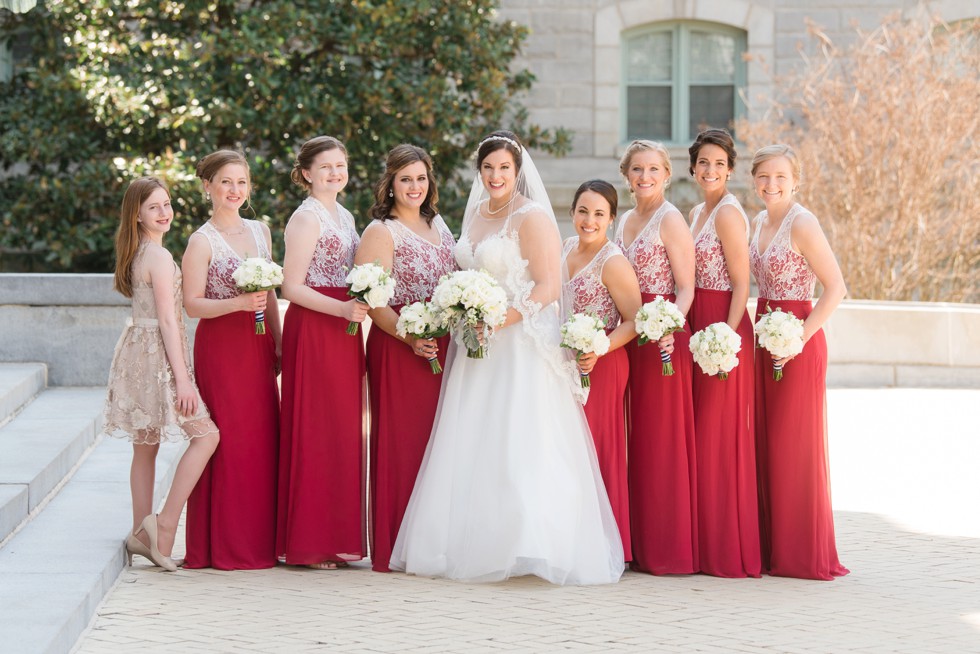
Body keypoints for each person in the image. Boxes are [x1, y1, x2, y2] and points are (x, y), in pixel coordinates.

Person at [390, 130, 625, 585]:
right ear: (479, 172)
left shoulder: (532, 216)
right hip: (475, 343)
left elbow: (548, 287)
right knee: (475, 438)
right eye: (488, 168)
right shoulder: (475, 212)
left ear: (518, 173)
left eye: (504, 168)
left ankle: (534, 543)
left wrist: (499, 319)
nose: (496, 176)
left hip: (519, 342)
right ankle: (475, 541)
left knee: (524, 438)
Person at [104, 177, 220, 572]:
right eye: (154, 207)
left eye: (167, 204)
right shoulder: (157, 256)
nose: (164, 212)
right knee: (207, 436)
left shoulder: (138, 253)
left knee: (145, 447)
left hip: (137, 352)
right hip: (156, 358)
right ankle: (164, 524)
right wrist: (183, 378)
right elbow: (170, 323)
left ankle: (141, 532)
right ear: (137, 215)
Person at [354, 144, 456, 573]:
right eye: (405, 179)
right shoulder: (381, 230)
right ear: (390, 184)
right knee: (403, 442)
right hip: (399, 346)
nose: (415, 187)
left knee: (442, 443)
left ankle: (436, 541)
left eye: (420, 178)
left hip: (444, 347)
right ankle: (396, 543)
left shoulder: (439, 223)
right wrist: (409, 336)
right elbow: (371, 298)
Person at [749, 144, 849, 580]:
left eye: (780, 177)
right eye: (764, 177)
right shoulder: (756, 221)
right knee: (767, 443)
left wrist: (799, 339)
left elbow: (836, 288)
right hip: (762, 336)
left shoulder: (803, 223)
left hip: (797, 341)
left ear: (796, 180)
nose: (771, 185)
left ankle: (801, 554)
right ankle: (772, 548)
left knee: (795, 445)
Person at [181, 149, 281, 570]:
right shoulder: (200, 241)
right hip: (221, 349)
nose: (234, 190)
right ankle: (223, 545)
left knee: (261, 440)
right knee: (232, 441)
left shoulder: (261, 232)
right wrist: (237, 304)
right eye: (225, 182)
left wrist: (279, 343)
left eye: (241, 182)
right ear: (208, 186)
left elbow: (271, 292)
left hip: (258, 347)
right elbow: (191, 305)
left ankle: (262, 543)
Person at [277, 136, 367, 569]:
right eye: (326, 166)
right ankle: (309, 542)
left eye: (341, 164)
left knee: (342, 430)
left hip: (345, 330)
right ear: (307, 173)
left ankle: (336, 537)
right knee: (315, 428)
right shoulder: (305, 218)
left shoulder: (344, 215)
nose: (335, 172)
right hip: (315, 327)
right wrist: (343, 309)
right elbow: (290, 287)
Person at [614, 140, 699, 575]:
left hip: (662, 340)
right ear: (627, 175)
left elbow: (687, 286)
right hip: (626, 335)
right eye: (637, 170)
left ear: (667, 174)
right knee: (632, 438)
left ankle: (667, 548)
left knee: (660, 440)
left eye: (653, 170)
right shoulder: (624, 219)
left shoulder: (671, 220)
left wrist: (670, 326)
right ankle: (635, 543)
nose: (644, 177)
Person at [687, 128, 761, 578]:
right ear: (694, 168)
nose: (711, 170)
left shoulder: (728, 214)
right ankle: (701, 543)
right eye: (703, 163)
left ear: (730, 170)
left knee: (720, 438)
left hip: (723, 328)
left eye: (719, 164)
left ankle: (725, 550)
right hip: (697, 322)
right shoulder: (697, 211)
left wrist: (727, 340)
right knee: (701, 437)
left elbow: (742, 283)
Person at [561, 179, 641, 562]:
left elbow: (635, 320)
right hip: (564, 365)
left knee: (600, 448)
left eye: (598, 214)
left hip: (604, 366)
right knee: (568, 449)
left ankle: (608, 546)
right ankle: (571, 538)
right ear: (572, 212)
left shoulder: (613, 261)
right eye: (582, 211)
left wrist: (599, 347)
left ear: (611, 219)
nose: (589, 220)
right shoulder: (563, 250)